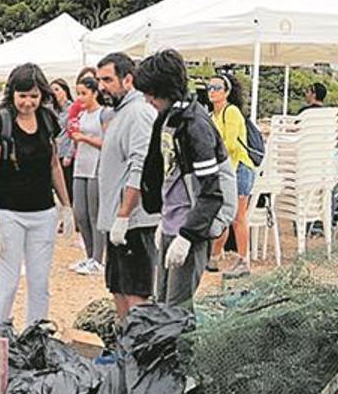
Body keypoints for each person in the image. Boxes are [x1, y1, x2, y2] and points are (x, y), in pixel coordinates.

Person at [0, 63, 73, 334]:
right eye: (23, 96)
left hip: (43, 213)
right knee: (7, 283)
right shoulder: (0, 123)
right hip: (9, 213)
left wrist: (66, 206)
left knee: (40, 283)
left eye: (34, 96)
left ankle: (36, 337)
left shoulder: (47, 119)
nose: (28, 102)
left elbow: (54, 164)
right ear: (13, 94)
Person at [136, 49, 229, 310]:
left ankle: (181, 353)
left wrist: (188, 235)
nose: (147, 99)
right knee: (162, 305)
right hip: (169, 224)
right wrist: (162, 219)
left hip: (190, 229)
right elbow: (166, 174)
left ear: (164, 88)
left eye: (150, 93)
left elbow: (211, 192)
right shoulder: (167, 120)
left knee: (178, 312)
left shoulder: (196, 125)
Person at [96, 52, 160, 322]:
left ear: (128, 79)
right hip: (117, 220)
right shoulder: (120, 112)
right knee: (118, 288)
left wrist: (124, 215)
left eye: (108, 80)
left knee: (136, 293)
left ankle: (139, 351)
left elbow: (140, 165)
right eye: (99, 80)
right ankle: (125, 351)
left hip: (134, 221)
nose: (102, 86)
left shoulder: (139, 113)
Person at [207, 73, 253, 278]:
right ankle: (215, 257)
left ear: (226, 91)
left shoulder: (231, 112)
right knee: (222, 215)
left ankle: (243, 260)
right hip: (224, 171)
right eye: (209, 87)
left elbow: (231, 145)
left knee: (237, 217)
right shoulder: (211, 116)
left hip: (239, 168)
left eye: (217, 87)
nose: (212, 91)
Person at [68, 76, 106, 275]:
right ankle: (90, 255)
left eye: (84, 93)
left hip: (96, 166)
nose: (80, 97)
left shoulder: (103, 114)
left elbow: (107, 142)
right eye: (78, 93)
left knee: (94, 213)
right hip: (80, 164)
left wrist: (84, 137)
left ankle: (98, 258)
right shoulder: (81, 115)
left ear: (94, 93)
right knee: (80, 213)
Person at [51, 78, 75, 205]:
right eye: (52, 91)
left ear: (65, 91)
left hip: (66, 153)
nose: (54, 93)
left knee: (69, 188)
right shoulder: (51, 111)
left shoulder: (72, 109)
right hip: (55, 153)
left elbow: (74, 134)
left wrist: (69, 155)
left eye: (57, 89)